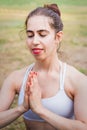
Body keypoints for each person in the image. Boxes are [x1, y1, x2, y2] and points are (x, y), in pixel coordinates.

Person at [0, 3, 87, 130]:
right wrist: (22, 108)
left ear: (58, 37)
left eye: (42, 34)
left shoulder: (77, 80)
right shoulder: (16, 78)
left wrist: (40, 110)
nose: (34, 41)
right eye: (30, 35)